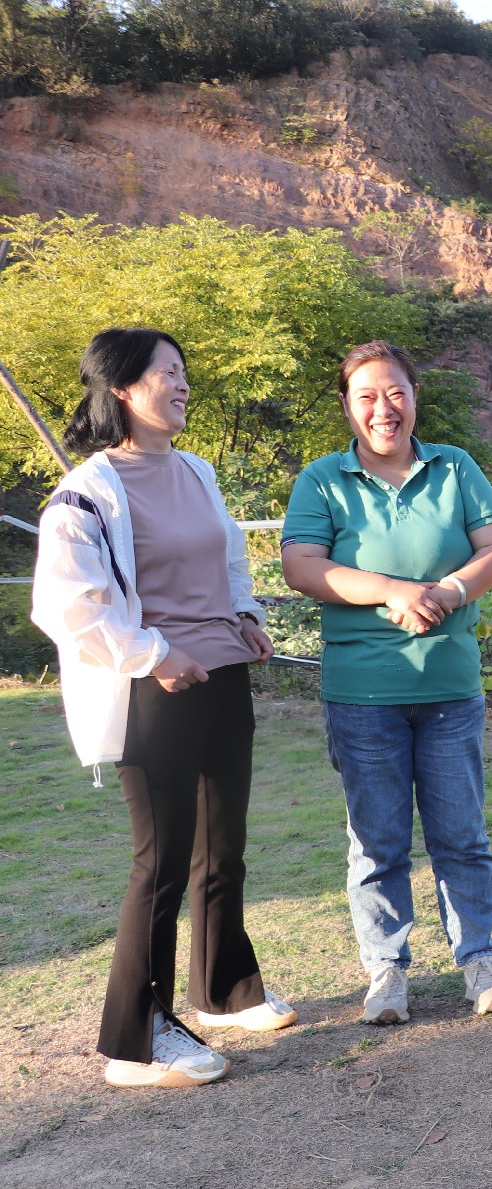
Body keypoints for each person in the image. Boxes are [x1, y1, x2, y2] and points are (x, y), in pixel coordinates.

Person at [32, 328, 293, 1088]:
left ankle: (223, 988)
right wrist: (152, 654)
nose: (182, 384)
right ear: (121, 389)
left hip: (224, 675)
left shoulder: (196, 470)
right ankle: (136, 1039)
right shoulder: (86, 492)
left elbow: (228, 556)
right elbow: (66, 605)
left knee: (224, 846)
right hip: (154, 690)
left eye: (183, 371)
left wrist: (244, 615)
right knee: (162, 861)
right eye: (166, 373)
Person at [281, 341, 492, 1025]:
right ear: (347, 407)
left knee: (462, 835)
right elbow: (302, 566)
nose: (383, 408)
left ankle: (479, 961)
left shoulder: (456, 467)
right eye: (367, 396)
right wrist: (393, 591)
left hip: (448, 688)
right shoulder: (322, 480)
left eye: (395, 393)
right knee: (378, 841)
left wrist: (445, 592)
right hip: (363, 696)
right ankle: (386, 972)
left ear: (415, 398)